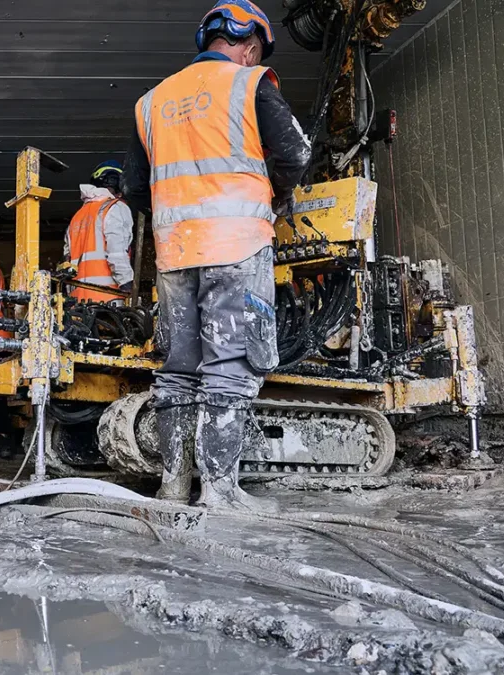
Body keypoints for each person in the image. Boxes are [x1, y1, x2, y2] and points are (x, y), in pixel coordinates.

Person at [122, 0, 311, 510]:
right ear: (249, 47)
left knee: (179, 368)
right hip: (236, 244)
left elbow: (135, 189)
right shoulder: (250, 83)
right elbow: (296, 153)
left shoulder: (151, 102)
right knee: (230, 365)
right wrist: (270, 194)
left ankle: (173, 485)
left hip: (175, 252)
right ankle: (221, 494)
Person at [64, 160, 135, 303]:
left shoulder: (78, 216)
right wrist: (127, 283)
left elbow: (67, 260)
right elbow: (116, 252)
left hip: (77, 303)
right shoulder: (116, 208)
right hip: (107, 299)